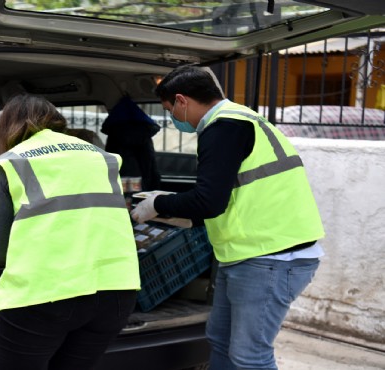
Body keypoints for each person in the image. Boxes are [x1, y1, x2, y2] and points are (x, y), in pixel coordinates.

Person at [131, 65, 325, 370]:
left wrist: (160, 203)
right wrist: (171, 210)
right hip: (250, 253)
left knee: (250, 356)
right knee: (219, 339)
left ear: (181, 100)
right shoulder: (238, 121)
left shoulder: (225, 127)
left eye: (170, 110)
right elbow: (230, 196)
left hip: (272, 257)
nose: (173, 119)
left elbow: (209, 201)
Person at [0, 93, 140, 370]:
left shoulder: (7, 164)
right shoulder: (102, 157)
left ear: (6, 126)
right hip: (116, 290)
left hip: (43, 294)